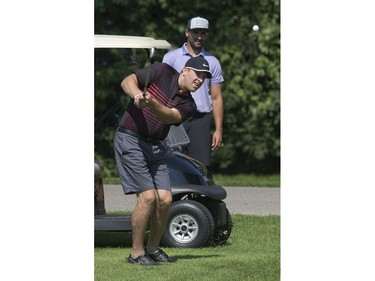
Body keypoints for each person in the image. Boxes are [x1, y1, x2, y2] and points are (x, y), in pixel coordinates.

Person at [113, 56, 212, 266]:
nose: (200, 80)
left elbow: (170, 117)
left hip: (157, 147)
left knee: (165, 199)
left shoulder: (189, 104)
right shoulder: (162, 71)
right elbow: (127, 81)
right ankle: (136, 253)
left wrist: (151, 103)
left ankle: (153, 248)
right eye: (198, 75)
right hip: (131, 140)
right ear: (185, 70)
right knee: (148, 197)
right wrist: (138, 94)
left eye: (204, 78)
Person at [162, 16, 224, 167]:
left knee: (200, 166)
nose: (199, 37)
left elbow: (216, 98)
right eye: (195, 32)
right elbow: (163, 90)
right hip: (175, 116)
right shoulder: (171, 57)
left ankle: (198, 192)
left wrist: (218, 129)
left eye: (203, 33)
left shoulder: (213, 61)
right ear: (187, 33)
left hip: (200, 119)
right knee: (172, 163)